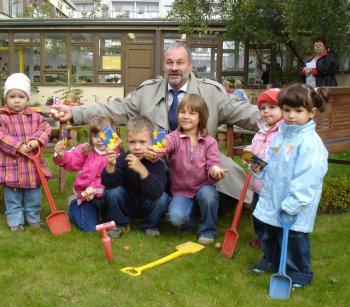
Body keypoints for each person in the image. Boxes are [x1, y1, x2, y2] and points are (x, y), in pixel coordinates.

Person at [49, 42, 259, 203]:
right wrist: (75, 112)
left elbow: (244, 112)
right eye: (170, 62)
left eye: (180, 62)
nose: (174, 68)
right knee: (131, 175)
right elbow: (113, 109)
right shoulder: (147, 92)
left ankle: (217, 205)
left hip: (199, 162)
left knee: (231, 174)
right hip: (155, 163)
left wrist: (280, 118)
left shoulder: (211, 93)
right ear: (164, 65)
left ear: (190, 65)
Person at [248, 84, 329, 289]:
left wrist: (293, 204)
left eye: (298, 111)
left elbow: (308, 179)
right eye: (286, 110)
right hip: (274, 197)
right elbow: (272, 159)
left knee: (293, 239)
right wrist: (259, 167)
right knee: (271, 233)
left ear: (311, 113)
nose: (291, 115)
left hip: (294, 204)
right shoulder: (282, 134)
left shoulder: (311, 144)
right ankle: (270, 260)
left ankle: (299, 273)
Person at [146, 94, 228, 244]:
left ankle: (207, 231)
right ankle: (188, 224)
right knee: (176, 218)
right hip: (181, 190)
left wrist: (216, 171)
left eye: (192, 113)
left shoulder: (209, 141)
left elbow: (213, 163)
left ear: (201, 117)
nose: (186, 116)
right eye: (182, 112)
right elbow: (161, 148)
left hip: (204, 187)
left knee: (209, 196)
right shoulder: (174, 137)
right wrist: (152, 153)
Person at [0, 73, 52, 232]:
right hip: (11, 167)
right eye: (12, 96)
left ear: (28, 99)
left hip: (32, 167)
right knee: (13, 197)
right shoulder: (0, 118)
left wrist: (36, 140)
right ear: (6, 98)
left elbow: (46, 129)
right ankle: (15, 222)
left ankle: (33, 219)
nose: (16, 100)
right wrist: (18, 146)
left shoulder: (36, 117)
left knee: (33, 196)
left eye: (21, 96)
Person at [101, 115, 170, 239]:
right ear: (127, 140)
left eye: (142, 142)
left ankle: (150, 225)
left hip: (147, 202)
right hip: (127, 203)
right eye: (132, 142)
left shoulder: (158, 163)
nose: (137, 147)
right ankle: (119, 224)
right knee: (113, 192)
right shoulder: (122, 158)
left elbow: (156, 193)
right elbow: (109, 185)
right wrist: (111, 165)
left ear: (152, 141)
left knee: (163, 198)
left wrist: (142, 170)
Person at [53, 115, 117, 232]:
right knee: (89, 228)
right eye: (95, 136)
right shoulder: (86, 149)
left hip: (106, 197)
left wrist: (94, 188)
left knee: (112, 218)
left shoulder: (116, 155)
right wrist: (61, 155)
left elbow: (109, 176)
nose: (99, 140)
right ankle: (74, 205)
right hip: (86, 197)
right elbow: (72, 161)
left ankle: (102, 215)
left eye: (103, 136)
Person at [242, 88, 282, 248]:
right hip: (257, 185)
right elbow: (253, 147)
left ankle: (271, 240)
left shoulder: (282, 133)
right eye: (263, 108)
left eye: (272, 107)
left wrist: (263, 163)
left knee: (270, 215)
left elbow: (278, 156)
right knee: (256, 214)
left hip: (271, 186)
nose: (266, 111)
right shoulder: (261, 131)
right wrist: (248, 155)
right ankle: (261, 237)